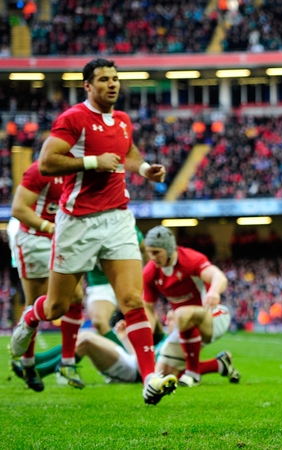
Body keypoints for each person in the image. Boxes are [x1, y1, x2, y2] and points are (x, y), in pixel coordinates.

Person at [8, 58, 177, 405]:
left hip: (117, 218)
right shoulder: (73, 119)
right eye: (103, 79)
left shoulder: (123, 121)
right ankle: (29, 318)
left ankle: (149, 378)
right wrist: (90, 162)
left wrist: (144, 168)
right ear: (88, 85)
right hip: (78, 221)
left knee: (132, 300)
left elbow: (126, 151)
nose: (112, 84)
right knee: (56, 306)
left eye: (115, 79)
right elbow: (46, 162)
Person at [12, 313, 240, 386]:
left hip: (135, 373)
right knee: (85, 336)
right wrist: (123, 337)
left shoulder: (177, 341)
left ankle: (37, 372)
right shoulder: (168, 341)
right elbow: (142, 355)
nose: (169, 319)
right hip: (134, 363)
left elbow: (164, 369)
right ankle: (36, 362)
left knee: (86, 342)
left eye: (171, 317)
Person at [9, 160, 81, 391]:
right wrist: (49, 228)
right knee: (36, 304)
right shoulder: (40, 170)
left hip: (61, 239)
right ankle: (29, 364)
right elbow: (18, 209)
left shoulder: (80, 169)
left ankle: (67, 362)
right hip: (35, 239)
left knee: (76, 298)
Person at [142, 226, 234, 387]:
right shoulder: (150, 272)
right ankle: (220, 364)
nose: (152, 257)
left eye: (156, 252)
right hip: (184, 323)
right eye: (149, 252)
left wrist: (213, 291)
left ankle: (193, 374)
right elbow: (147, 307)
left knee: (182, 313)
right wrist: (148, 334)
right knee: (163, 374)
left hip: (213, 315)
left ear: (169, 248)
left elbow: (218, 276)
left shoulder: (189, 259)